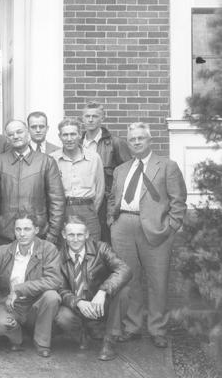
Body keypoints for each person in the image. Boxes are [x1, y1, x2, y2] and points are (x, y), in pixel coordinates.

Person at [108, 122, 187, 348]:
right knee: (129, 280)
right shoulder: (121, 169)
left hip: (156, 229)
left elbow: (178, 200)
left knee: (157, 281)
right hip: (124, 226)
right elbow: (113, 198)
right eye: (132, 139)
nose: (136, 142)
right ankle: (132, 326)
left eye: (140, 138)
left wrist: (171, 227)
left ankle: (157, 329)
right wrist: (112, 222)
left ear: (149, 140)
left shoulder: (166, 166)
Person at [54, 216, 132, 361]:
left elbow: (124, 269)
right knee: (62, 317)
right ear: (64, 235)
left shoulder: (101, 248)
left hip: (100, 305)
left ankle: (109, 341)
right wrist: (78, 302)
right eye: (71, 235)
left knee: (124, 291)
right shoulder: (58, 256)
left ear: (87, 234)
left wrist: (103, 291)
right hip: (77, 308)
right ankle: (82, 334)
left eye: (79, 235)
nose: (75, 239)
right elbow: (59, 288)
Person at [0, 213, 61, 358]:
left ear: (36, 230)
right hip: (10, 304)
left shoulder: (48, 249)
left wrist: (19, 289)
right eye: (18, 229)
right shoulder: (0, 252)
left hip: (35, 304)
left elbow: (54, 280)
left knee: (52, 296)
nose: (22, 234)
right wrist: (2, 300)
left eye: (27, 229)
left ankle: (42, 342)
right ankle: (18, 335)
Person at [0, 120, 65, 245]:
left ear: (27, 133)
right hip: (5, 234)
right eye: (10, 134)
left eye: (19, 132)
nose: (15, 136)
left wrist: (53, 233)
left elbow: (57, 201)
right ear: (7, 138)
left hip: (38, 232)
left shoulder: (46, 161)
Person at [81, 101, 131, 242]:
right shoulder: (77, 143)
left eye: (95, 116)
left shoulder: (115, 143)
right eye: (87, 116)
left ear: (102, 118)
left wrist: (117, 204)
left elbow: (128, 175)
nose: (90, 119)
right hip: (83, 200)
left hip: (105, 201)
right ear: (82, 119)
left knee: (105, 242)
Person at [50, 118, 105, 241]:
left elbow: (100, 189)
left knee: (92, 248)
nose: (69, 139)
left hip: (88, 210)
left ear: (80, 135)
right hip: (63, 210)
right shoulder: (52, 159)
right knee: (64, 249)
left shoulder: (94, 158)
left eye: (73, 134)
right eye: (65, 135)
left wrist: (91, 210)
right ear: (60, 136)